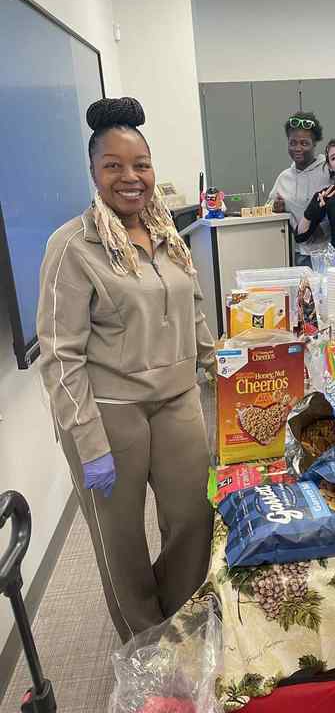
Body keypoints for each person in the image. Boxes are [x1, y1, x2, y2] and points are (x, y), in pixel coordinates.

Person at [37, 97, 215, 642]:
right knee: (121, 542)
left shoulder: (165, 234)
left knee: (193, 519)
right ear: (94, 173)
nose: (130, 177)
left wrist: (226, 367)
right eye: (113, 165)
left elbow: (193, 309)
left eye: (140, 164)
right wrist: (87, 442)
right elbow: (60, 355)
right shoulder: (73, 246)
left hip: (179, 400)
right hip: (111, 415)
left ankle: (181, 621)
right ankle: (145, 644)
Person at [268, 111, 331, 266]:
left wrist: (323, 227)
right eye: (293, 142)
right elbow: (268, 208)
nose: (297, 148)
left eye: (304, 143)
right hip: (299, 253)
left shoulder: (328, 170)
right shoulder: (284, 178)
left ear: (314, 144)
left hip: (329, 252)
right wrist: (275, 208)